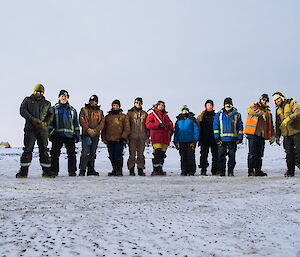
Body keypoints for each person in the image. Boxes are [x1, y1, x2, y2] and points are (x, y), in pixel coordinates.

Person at [17, 84, 55, 178]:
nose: (38, 93)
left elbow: (51, 115)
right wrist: (32, 120)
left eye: (40, 92)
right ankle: (23, 172)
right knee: (27, 150)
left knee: (44, 150)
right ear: (34, 92)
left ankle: (46, 171)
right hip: (30, 129)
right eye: (36, 91)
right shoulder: (27, 100)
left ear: (43, 93)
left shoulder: (47, 103)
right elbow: (22, 110)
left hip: (43, 130)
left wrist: (45, 123)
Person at [49, 90, 80, 176]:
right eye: (62, 96)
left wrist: (77, 134)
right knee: (55, 154)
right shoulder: (54, 109)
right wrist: (50, 133)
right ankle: (54, 170)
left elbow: (76, 124)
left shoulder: (73, 110)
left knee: (72, 154)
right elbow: (50, 122)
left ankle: (72, 171)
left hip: (69, 136)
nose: (63, 98)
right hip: (57, 135)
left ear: (68, 98)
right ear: (59, 97)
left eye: (65, 96)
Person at [245, 94, 275, 176]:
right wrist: (261, 113)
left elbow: (271, 124)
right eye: (263, 100)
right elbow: (249, 111)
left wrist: (273, 135)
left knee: (259, 154)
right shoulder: (254, 106)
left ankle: (258, 170)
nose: (264, 101)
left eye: (266, 100)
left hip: (262, 135)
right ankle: (250, 171)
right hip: (253, 133)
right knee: (252, 153)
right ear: (260, 100)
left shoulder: (268, 112)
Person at [213, 97, 243, 176]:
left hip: (232, 139)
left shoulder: (237, 114)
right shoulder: (219, 114)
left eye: (229, 103)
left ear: (232, 105)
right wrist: (216, 137)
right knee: (221, 156)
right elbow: (216, 126)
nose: (228, 105)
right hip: (221, 140)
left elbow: (240, 126)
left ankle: (230, 171)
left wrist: (240, 137)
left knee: (232, 156)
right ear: (224, 105)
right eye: (226, 103)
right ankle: (222, 171)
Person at [272, 92, 300, 177]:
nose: (277, 101)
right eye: (275, 100)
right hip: (286, 134)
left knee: (299, 151)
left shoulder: (292, 103)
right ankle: (290, 171)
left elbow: (298, 112)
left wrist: (288, 119)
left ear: (282, 97)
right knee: (288, 153)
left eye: (278, 98)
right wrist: (277, 136)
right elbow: (278, 124)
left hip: (296, 131)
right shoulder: (278, 110)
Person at [101, 99, 130, 176]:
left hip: (119, 139)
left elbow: (127, 128)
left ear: (119, 106)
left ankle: (119, 170)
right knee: (111, 155)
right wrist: (103, 138)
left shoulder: (124, 117)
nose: (115, 107)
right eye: (114, 105)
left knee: (118, 155)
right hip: (109, 139)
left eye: (117, 106)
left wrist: (123, 137)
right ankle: (114, 169)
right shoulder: (107, 117)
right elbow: (104, 128)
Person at [78, 95, 105, 176]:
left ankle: (91, 169)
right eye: (91, 100)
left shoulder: (100, 112)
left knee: (93, 153)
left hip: (95, 135)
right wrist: (88, 129)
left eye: (94, 101)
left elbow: (102, 123)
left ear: (97, 102)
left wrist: (96, 130)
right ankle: (82, 170)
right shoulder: (84, 110)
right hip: (86, 135)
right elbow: (81, 120)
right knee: (85, 153)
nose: (92, 102)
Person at [146, 100, 174, 176]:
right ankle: (155, 169)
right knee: (157, 154)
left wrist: (171, 129)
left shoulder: (166, 116)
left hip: (165, 138)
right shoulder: (152, 114)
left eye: (162, 105)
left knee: (162, 155)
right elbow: (148, 124)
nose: (161, 106)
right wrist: (157, 125)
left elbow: (170, 124)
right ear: (157, 106)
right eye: (160, 105)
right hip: (156, 137)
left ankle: (160, 169)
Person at [127, 97, 149, 176]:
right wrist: (127, 137)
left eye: (140, 103)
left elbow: (147, 126)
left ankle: (140, 169)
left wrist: (147, 137)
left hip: (142, 137)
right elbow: (127, 126)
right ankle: (131, 169)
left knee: (141, 154)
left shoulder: (145, 114)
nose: (138, 104)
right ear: (134, 103)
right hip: (132, 137)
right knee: (132, 154)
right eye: (137, 102)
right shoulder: (130, 113)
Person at [174, 105, 199, 176]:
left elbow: (196, 130)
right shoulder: (178, 121)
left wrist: (195, 140)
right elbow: (176, 132)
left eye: (186, 110)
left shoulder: (192, 119)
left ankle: (191, 170)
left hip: (190, 141)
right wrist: (176, 141)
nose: (185, 111)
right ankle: (184, 170)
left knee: (190, 156)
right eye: (183, 110)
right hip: (181, 141)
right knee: (183, 156)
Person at [197, 100, 218, 176]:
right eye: (208, 105)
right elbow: (198, 121)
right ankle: (203, 170)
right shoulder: (203, 114)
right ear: (205, 106)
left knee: (215, 155)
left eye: (210, 105)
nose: (209, 106)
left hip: (214, 138)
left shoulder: (215, 114)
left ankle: (215, 170)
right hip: (204, 138)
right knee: (203, 155)